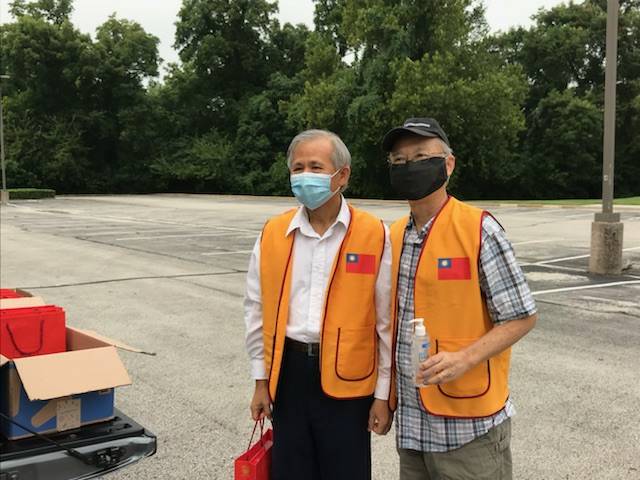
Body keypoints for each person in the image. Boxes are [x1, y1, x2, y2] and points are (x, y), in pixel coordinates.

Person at [382, 117, 538, 480]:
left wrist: (464, 358)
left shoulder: (480, 229)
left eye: (421, 157)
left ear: (448, 164)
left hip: (469, 429)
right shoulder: (394, 235)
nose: (410, 166)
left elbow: (522, 316)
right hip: (413, 426)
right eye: (400, 161)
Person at [243, 129, 393, 480]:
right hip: (289, 375)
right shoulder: (273, 233)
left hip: (349, 380)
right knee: (291, 470)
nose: (304, 175)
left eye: (315, 166)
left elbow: (385, 320)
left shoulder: (373, 233)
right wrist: (260, 381)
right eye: (297, 168)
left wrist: (383, 394)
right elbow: (255, 308)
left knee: (346, 472)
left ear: (342, 175)